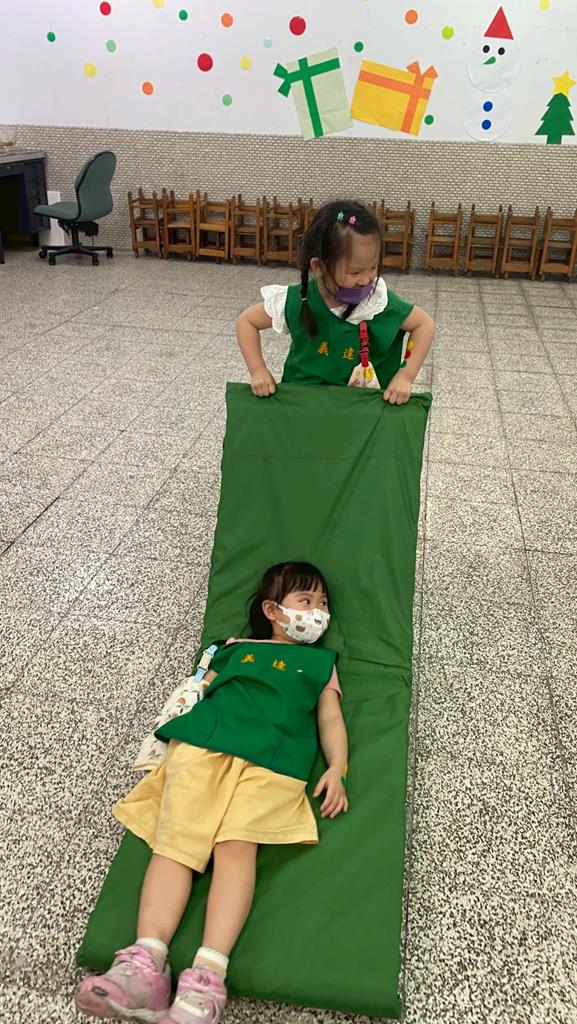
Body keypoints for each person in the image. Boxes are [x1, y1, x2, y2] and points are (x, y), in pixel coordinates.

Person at [75, 562, 348, 1024]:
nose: (317, 612)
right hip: (203, 748)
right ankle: (145, 965)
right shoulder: (230, 649)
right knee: (176, 842)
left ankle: (207, 977)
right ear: (272, 611)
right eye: (306, 601)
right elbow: (193, 694)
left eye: (323, 604)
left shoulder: (323, 664)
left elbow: (329, 718)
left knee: (235, 846)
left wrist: (338, 767)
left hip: (271, 761)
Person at [236, 199, 434, 404]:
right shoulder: (298, 300)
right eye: (355, 272)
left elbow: (423, 324)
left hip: (361, 412)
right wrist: (258, 370)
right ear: (319, 266)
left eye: (373, 267)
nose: (365, 280)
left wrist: (405, 376)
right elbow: (246, 322)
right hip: (303, 407)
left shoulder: (377, 302)